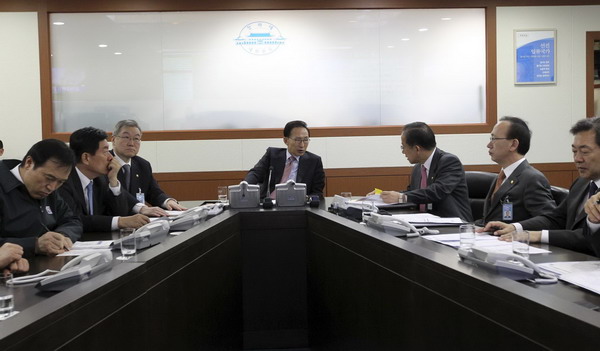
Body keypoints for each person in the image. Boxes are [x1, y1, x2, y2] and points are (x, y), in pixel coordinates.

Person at [484, 117, 600, 255]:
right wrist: (516, 227)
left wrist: (537, 235)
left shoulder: (531, 177)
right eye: (574, 151)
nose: (577, 158)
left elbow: (586, 237)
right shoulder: (581, 183)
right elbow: (555, 218)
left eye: (585, 152)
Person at [370, 121, 473, 222]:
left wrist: (401, 197)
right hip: (424, 223)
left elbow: (436, 192)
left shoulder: (449, 161)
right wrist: (383, 196)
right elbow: (413, 193)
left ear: (417, 149)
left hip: (453, 226)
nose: (403, 152)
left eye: (403, 147)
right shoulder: (418, 168)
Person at [58, 127, 150, 232]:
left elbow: (120, 213)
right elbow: (74, 220)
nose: (111, 157)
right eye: (105, 151)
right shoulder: (63, 181)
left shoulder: (101, 179)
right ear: (86, 158)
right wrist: (119, 221)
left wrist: (114, 181)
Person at [0, 139, 82, 256]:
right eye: (49, 178)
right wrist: (35, 245)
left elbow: (72, 220)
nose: (52, 187)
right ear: (29, 163)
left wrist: (63, 236)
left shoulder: (49, 190)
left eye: (60, 182)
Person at [479, 116, 556, 224]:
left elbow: (550, 220)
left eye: (494, 139)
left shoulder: (532, 178)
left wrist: (516, 228)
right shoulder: (502, 176)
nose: (489, 145)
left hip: (515, 239)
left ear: (513, 144)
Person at [110, 119, 186, 215]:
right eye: (126, 137)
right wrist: (141, 208)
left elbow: (153, 192)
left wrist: (167, 201)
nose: (131, 143)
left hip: (138, 223)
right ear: (113, 140)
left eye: (136, 139)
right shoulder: (104, 163)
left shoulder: (142, 165)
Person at [245, 120, 325, 198]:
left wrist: (305, 198)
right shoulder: (272, 154)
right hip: (269, 204)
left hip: (297, 206)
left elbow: (317, 192)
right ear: (286, 140)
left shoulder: (314, 161)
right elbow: (256, 173)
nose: (302, 144)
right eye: (298, 140)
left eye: (305, 139)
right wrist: (244, 186)